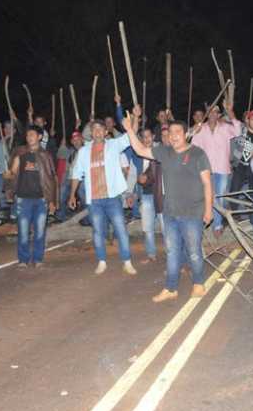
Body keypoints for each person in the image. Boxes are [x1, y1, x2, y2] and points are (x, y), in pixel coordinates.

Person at [123, 106, 213, 302]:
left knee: (194, 251)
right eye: (170, 133)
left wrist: (208, 210)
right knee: (172, 252)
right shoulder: (164, 152)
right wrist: (130, 129)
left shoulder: (198, 154)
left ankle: (198, 283)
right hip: (170, 213)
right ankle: (171, 288)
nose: (173, 136)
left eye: (177, 132)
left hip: (192, 213)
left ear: (186, 134)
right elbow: (139, 150)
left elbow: (207, 183)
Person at [68, 119, 137, 276]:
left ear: (106, 132)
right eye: (95, 129)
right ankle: (101, 261)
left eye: (101, 129)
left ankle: (127, 262)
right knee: (98, 231)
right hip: (94, 200)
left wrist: (135, 118)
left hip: (112, 197)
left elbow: (130, 135)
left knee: (121, 229)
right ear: (91, 133)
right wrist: (72, 195)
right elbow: (76, 174)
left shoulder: (114, 145)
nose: (98, 132)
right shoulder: (84, 151)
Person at [6, 126, 59, 268]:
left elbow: (52, 178)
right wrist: (8, 180)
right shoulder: (20, 153)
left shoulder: (46, 155)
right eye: (28, 134)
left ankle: (38, 258)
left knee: (40, 231)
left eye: (32, 134)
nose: (29, 137)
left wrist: (53, 200)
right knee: (23, 231)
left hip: (42, 199)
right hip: (24, 199)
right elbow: (12, 173)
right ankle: (23, 259)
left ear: (40, 137)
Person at [191, 101, 241, 236]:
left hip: (223, 168)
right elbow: (194, 145)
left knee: (220, 197)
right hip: (207, 169)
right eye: (211, 111)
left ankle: (217, 223)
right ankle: (214, 223)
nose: (213, 114)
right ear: (207, 114)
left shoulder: (225, 127)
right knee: (209, 196)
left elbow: (238, 130)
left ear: (219, 114)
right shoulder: (202, 129)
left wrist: (230, 111)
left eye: (216, 112)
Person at [137, 128, 164, 264]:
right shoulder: (137, 154)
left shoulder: (160, 151)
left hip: (161, 194)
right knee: (147, 228)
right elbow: (132, 174)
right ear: (140, 139)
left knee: (166, 227)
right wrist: (130, 193)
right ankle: (151, 254)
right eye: (143, 137)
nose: (147, 139)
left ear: (153, 136)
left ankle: (173, 255)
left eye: (149, 136)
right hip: (146, 195)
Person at [230, 110, 253, 195]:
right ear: (247, 120)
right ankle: (233, 207)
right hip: (239, 164)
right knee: (234, 191)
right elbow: (232, 122)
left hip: (252, 166)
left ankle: (250, 206)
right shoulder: (241, 130)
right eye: (252, 120)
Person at [55, 131, 84, 221]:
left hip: (82, 177)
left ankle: (84, 216)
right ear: (71, 142)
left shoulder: (86, 149)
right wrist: (62, 146)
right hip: (69, 176)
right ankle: (62, 215)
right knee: (62, 191)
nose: (76, 142)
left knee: (82, 193)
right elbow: (59, 155)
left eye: (78, 139)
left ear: (82, 140)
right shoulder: (70, 151)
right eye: (74, 140)